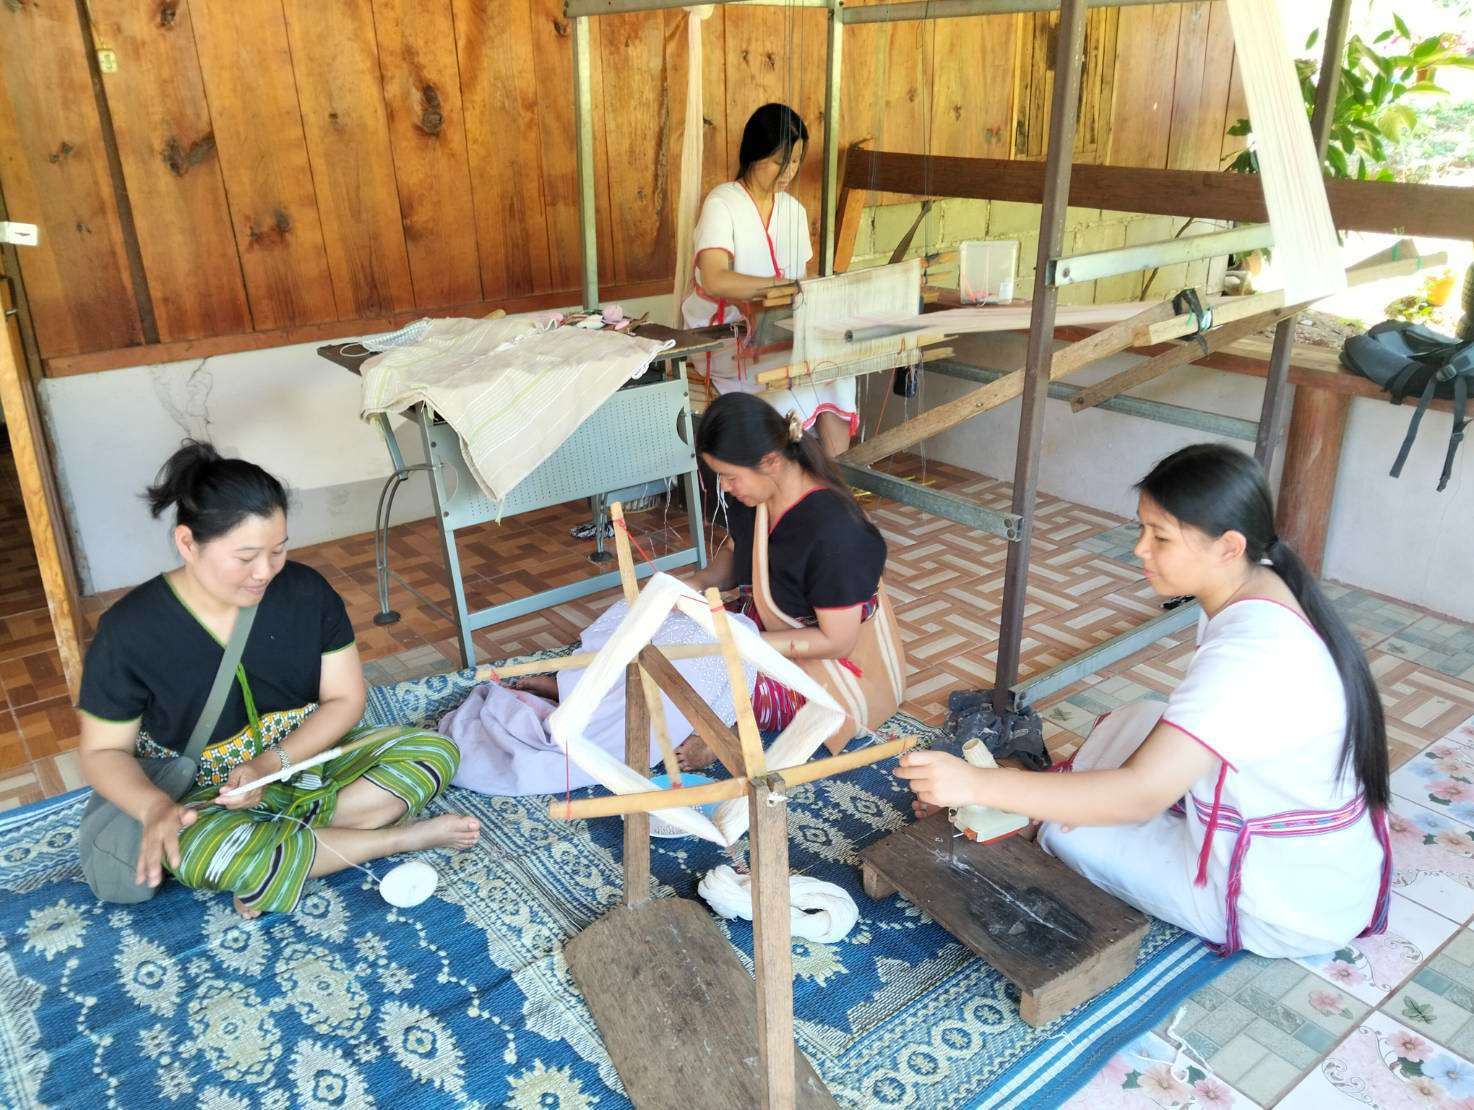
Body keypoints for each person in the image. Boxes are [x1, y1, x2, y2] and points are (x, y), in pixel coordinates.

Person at [897, 444, 1391, 959]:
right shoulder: (1261, 579)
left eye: (1160, 537)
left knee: (1072, 838)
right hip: (1319, 862)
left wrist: (976, 783)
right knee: (1139, 717)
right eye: (1142, 530)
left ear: (1228, 546)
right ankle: (1041, 796)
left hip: (1277, 902)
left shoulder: (1249, 657)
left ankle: (1034, 806)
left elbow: (1141, 795)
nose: (1140, 549)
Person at [76, 442, 476, 918]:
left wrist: (270, 764)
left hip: (306, 766)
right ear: (188, 543)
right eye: (245, 557)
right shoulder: (130, 631)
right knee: (191, 843)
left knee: (434, 751)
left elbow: (345, 699)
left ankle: (274, 857)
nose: (265, 571)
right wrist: (153, 810)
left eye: (278, 550)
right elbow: (102, 753)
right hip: (204, 800)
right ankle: (394, 838)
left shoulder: (308, 593)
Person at [682, 391, 907, 764]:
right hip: (766, 629)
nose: (724, 487)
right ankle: (571, 686)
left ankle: (728, 726)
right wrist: (695, 584)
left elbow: (837, 642)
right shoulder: (755, 499)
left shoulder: (834, 533)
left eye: (729, 476)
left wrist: (746, 645)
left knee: (701, 669)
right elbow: (740, 557)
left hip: (817, 663)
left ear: (770, 461)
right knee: (655, 631)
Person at [680, 103, 858, 458]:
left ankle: (832, 476)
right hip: (727, 339)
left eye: (794, 161)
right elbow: (715, 277)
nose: (787, 171)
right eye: (780, 160)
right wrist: (777, 288)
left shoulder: (794, 211)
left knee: (837, 366)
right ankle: (791, 475)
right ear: (753, 154)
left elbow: (801, 286)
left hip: (777, 332)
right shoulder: (723, 203)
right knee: (796, 373)